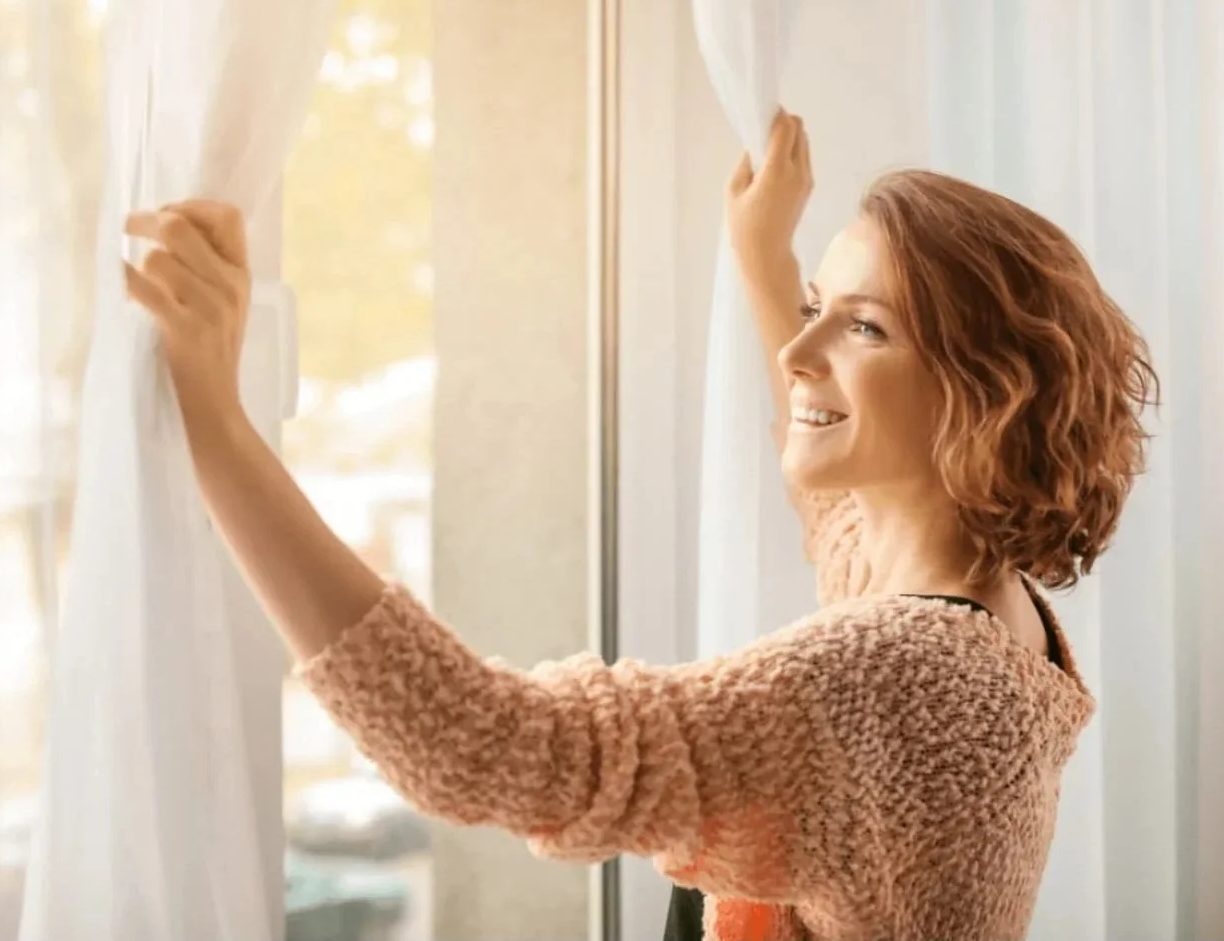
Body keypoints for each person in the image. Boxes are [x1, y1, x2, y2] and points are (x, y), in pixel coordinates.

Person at [122, 111, 1155, 941]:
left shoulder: (895, 677)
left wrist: (218, 424)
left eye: (867, 326)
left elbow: (482, 744)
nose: (801, 350)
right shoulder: (979, 601)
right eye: (814, 304)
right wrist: (763, 261)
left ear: (984, 397)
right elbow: (838, 515)